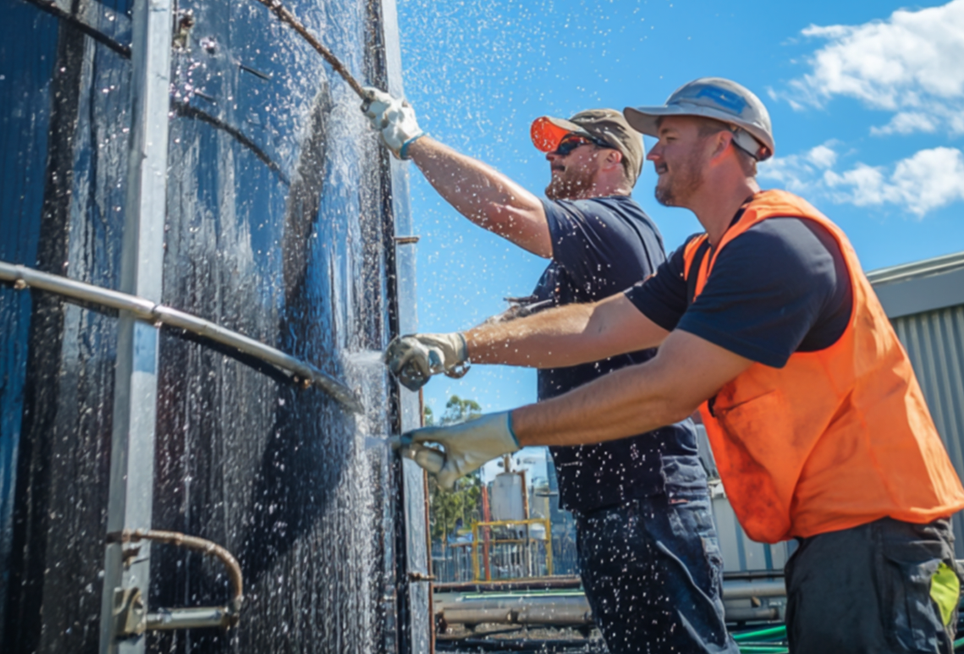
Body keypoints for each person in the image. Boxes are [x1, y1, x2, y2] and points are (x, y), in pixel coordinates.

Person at [387, 78, 964, 654]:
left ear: (722, 145)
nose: (655, 152)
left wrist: (504, 432)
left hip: (882, 533)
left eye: (667, 136)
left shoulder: (776, 245)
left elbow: (665, 391)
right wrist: (459, 346)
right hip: (827, 537)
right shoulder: (702, 258)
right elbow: (598, 325)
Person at [361, 88, 738, 654]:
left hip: (647, 505)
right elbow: (547, 328)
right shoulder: (575, 263)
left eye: (567, 145)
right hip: (613, 509)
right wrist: (460, 345)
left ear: (612, 159)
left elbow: (504, 210)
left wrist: (415, 144)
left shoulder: (616, 223)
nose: (551, 156)